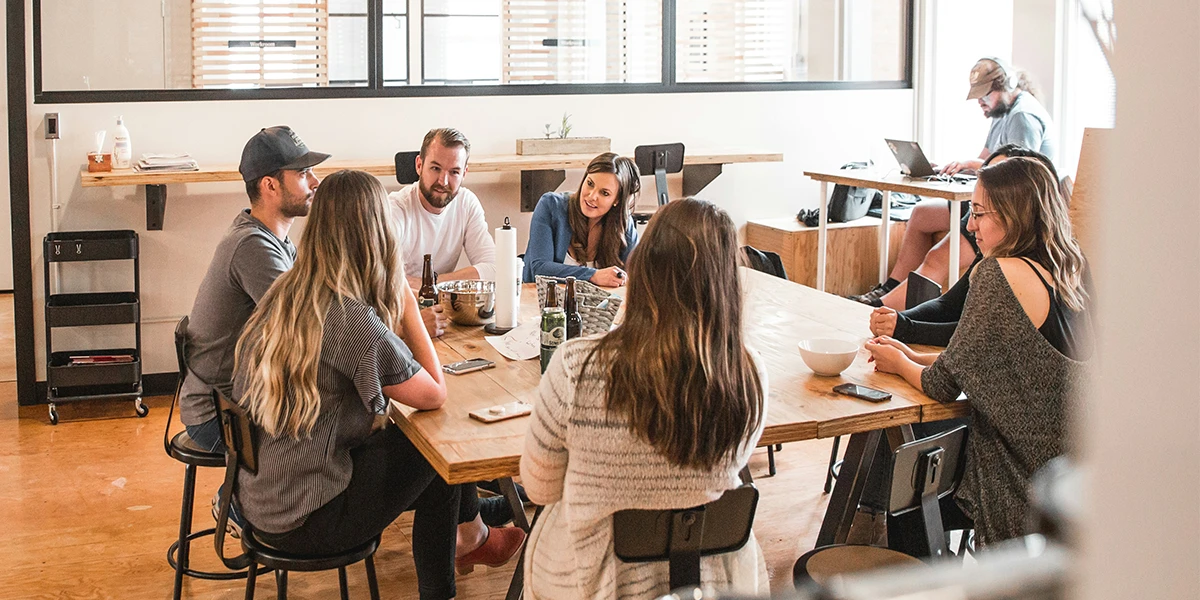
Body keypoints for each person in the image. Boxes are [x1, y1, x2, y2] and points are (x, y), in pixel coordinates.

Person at [232, 170, 525, 600]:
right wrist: (406, 300)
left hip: (261, 499)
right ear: (378, 235)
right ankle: (458, 558)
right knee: (435, 449)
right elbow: (434, 392)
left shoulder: (288, 291)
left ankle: (471, 534)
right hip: (307, 518)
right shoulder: (351, 319)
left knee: (417, 446)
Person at [521, 198, 769, 599]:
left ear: (643, 268)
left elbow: (539, 488)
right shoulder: (748, 372)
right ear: (727, 280)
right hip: (712, 577)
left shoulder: (577, 366)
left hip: (596, 579)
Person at [865, 156, 1091, 555]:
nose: (970, 226)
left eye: (978, 213)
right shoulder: (1068, 266)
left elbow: (943, 386)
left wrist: (899, 364)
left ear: (1013, 215)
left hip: (1020, 478)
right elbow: (995, 362)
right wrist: (910, 355)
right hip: (1070, 469)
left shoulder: (998, 273)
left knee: (905, 501)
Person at [852, 57, 1057, 309]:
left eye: (985, 95)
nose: (981, 102)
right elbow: (987, 160)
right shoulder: (1001, 113)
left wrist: (972, 165)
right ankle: (892, 287)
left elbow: (1017, 178)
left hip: (1009, 211)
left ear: (1007, 86)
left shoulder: (1023, 116)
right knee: (921, 214)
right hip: (993, 202)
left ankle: (886, 309)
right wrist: (957, 167)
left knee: (938, 256)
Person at [179, 125, 327, 455]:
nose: (315, 182)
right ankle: (243, 503)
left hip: (240, 402)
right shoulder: (253, 247)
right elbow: (308, 325)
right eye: (303, 173)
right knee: (341, 434)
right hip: (221, 418)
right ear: (270, 185)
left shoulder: (274, 240)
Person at [868, 145, 1066, 346]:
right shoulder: (1011, 252)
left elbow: (971, 339)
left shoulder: (1010, 271)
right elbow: (950, 306)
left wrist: (903, 328)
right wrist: (897, 320)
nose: (970, 226)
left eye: (978, 212)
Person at [389, 128, 495, 338]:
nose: (443, 181)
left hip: (444, 320)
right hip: (400, 322)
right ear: (419, 165)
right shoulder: (395, 209)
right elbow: (383, 282)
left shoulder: (467, 203)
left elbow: (493, 269)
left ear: (464, 173)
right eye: (435, 168)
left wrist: (431, 284)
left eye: (454, 172)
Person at [522, 152, 640, 287]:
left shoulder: (623, 224)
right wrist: (592, 275)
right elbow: (539, 269)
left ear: (617, 200)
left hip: (600, 306)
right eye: (590, 183)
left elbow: (634, 277)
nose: (592, 196)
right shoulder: (551, 205)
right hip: (541, 304)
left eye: (604, 193)